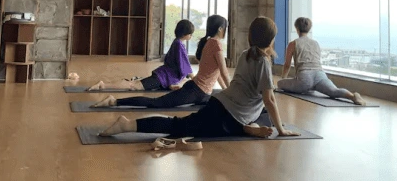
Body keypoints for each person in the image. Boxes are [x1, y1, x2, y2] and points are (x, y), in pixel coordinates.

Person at [99, 17, 299, 139]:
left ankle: (247, 127)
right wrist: (281, 130)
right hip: (226, 113)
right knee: (179, 126)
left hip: (221, 103)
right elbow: (269, 98)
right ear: (271, 40)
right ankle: (127, 124)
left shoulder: (246, 54)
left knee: (264, 113)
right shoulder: (262, 61)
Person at [92, 15, 231, 108]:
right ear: (220, 29)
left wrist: (228, 91)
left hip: (190, 88)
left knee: (137, 86)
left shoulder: (207, 43)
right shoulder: (213, 45)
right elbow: (222, 72)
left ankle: (110, 95)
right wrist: (232, 92)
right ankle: (112, 98)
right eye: (225, 28)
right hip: (181, 85)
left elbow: (217, 72)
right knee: (147, 96)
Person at [278, 17, 366, 105]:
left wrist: (283, 78)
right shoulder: (315, 43)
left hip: (304, 78)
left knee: (280, 84)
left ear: (296, 28)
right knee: (334, 91)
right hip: (320, 75)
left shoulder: (293, 44)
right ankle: (352, 96)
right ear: (309, 29)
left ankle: (308, 87)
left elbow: (287, 65)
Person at [88, 20, 195, 91]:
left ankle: (103, 84)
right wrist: (196, 80)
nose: (191, 36)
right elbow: (186, 68)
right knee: (133, 85)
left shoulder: (176, 42)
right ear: (185, 34)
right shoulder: (179, 45)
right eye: (190, 34)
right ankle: (103, 85)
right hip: (162, 77)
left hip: (164, 75)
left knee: (134, 83)